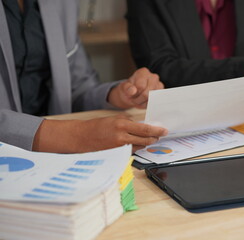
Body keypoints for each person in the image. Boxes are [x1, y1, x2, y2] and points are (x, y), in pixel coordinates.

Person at [0, 0, 168, 153]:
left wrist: (118, 94)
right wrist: (75, 136)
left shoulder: (64, 3)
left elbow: (77, 87)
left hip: (56, 160)